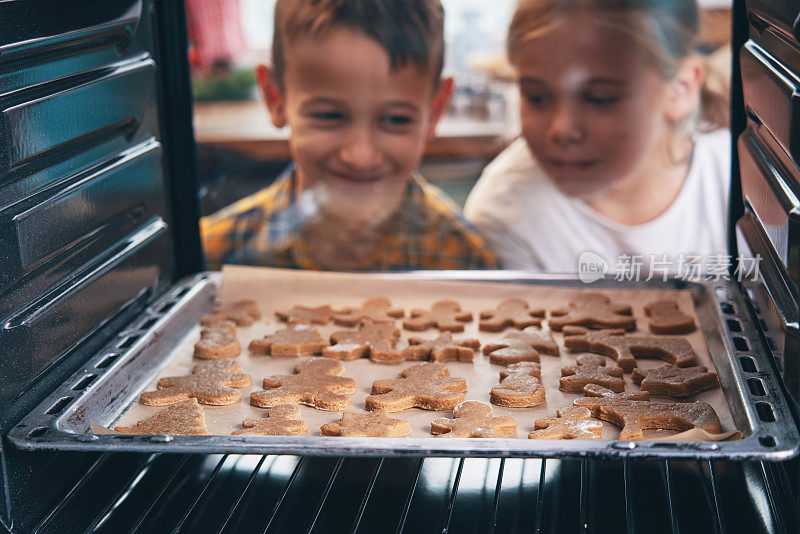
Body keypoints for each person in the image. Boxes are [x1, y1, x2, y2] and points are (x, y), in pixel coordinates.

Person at [201, 0, 497, 271]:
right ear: (275, 97)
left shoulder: (466, 261)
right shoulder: (212, 254)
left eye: (396, 119)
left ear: (435, 110)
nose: (360, 157)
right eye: (329, 116)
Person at [464, 0, 730, 274]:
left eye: (600, 99)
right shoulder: (506, 212)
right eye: (537, 97)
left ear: (680, 88)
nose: (562, 129)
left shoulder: (738, 180)